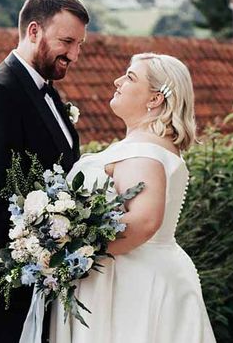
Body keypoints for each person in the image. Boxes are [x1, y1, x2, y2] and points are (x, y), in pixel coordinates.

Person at [41, 52, 216, 343]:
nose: (118, 81)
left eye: (131, 77)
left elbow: (144, 221)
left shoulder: (144, 151)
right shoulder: (144, 145)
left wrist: (68, 248)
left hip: (130, 287)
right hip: (130, 277)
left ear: (155, 99)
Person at [0, 0, 90, 343]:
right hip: (4, 281)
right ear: (33, 31)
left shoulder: (48, 92)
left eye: (79, 45)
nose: (74, 54)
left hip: (41, 277)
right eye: (66, 41)